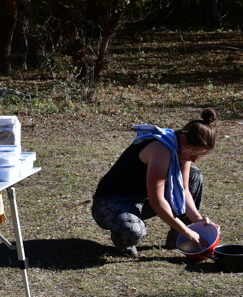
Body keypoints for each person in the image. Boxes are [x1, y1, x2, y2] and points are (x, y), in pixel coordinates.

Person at [91, 108, 218, 258]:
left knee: (195, 174)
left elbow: (184, 190)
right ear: (183, 139)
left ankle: (176, 234)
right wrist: (186, 230)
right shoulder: (161, 149)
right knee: (133, 232)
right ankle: (124, 243)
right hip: (111, 202)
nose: (194, 159)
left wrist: (198, 219)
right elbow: (157, 201)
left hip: (142, 200)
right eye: (193, 154)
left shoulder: (182, 147)